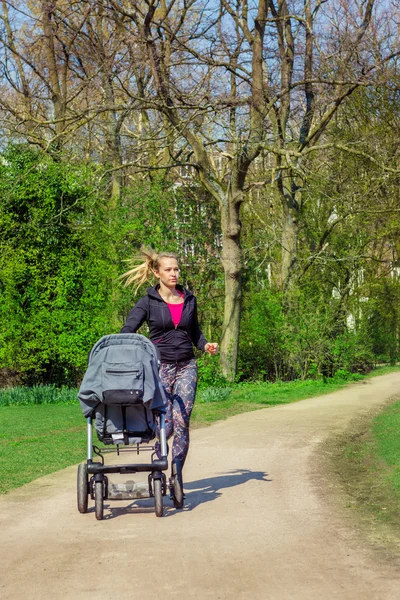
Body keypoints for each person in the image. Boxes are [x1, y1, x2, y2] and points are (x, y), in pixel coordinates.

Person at [120, 247, 218, 503]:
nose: (174, 273)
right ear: (156, 272)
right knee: (165, 425)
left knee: (183, 420)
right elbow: (128, 329)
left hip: (186, 365)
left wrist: (205, 345)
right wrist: (124, 347)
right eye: (168, 269)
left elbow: (195, 332)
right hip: (160, 368)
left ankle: (176, 474)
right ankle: (159, 469)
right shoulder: (148, 302)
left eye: (176, 269)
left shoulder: (189, 299)